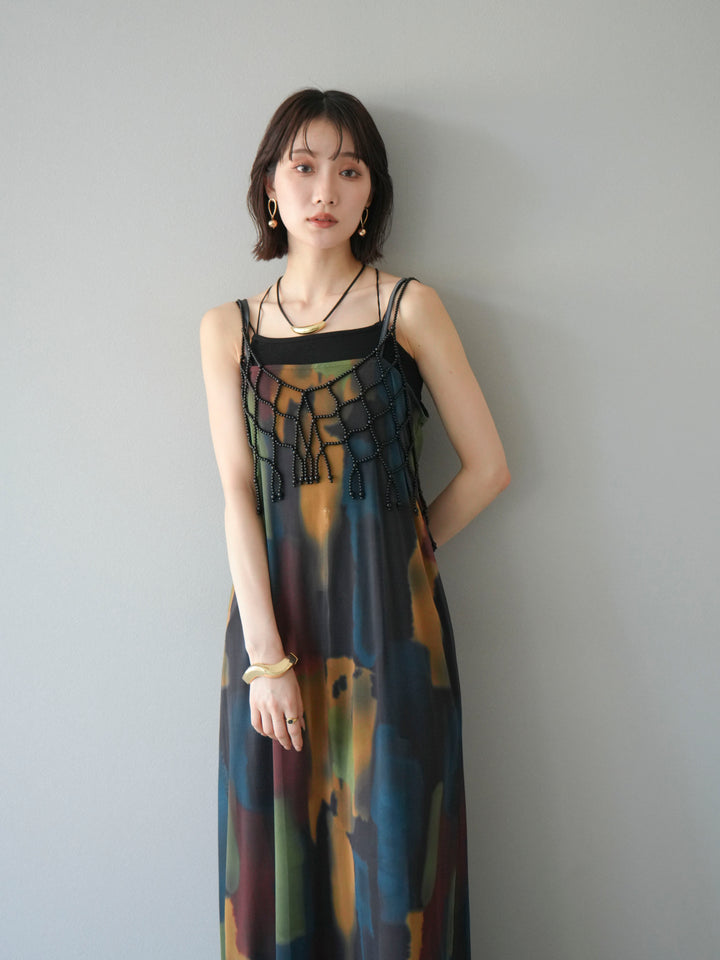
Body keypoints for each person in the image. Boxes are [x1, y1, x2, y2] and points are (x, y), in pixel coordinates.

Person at [200, 88, 510, 960]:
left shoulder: (409, 308)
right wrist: (265, 660)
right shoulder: (228, 330)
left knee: (397, 872)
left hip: (394, 643)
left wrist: (401, 554)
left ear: (372, 192)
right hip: (272, 638)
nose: (324, 189)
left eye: (349, 169)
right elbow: (236, 494)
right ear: (270, 185)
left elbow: (489, 469)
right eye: (303, 167)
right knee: (281, 871)